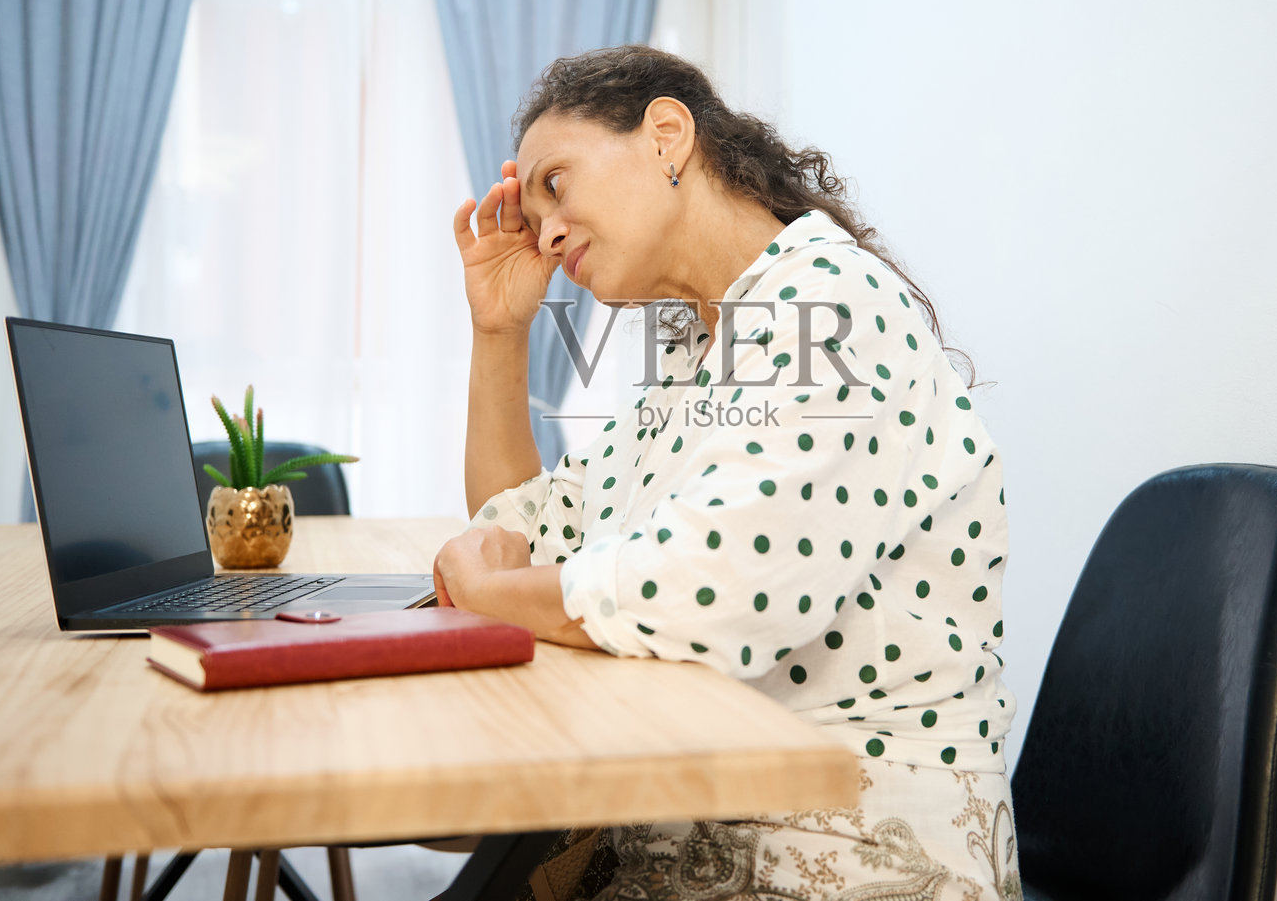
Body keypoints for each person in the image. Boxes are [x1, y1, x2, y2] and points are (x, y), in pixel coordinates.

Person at [433, 45, 1022, 901]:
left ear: (667, 135)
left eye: (556, 184)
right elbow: (533, 523)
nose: (548, 233)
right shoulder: (700, 348)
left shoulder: (830, 307)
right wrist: (499, 332)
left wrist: (490, 597)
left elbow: (715, 586)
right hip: (703, 819)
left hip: (850, 840)